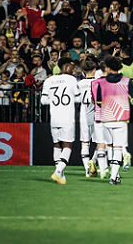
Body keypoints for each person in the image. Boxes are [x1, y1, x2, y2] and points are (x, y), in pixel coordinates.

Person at [91, 55, 133, 185]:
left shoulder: (101, 83)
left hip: (106, 119)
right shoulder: (126, 81)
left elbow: (99, 102)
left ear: (108, 67)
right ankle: (114, 176)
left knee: (109, 147)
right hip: (121, 119)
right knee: (118, 149)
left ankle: (114, 174)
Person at [40, 57, 80, 185]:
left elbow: (43, 101)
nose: (74, 70)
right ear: (65, 65)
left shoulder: (49, 80)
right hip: (67, 117)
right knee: (68, 145)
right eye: (72, 67)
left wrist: (55, 100)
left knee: (57, 145)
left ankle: (61, 176)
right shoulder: (72, 80)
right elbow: (78, 98)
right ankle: (58, 172)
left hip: (54, 117)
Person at [75, 59, 98, 178]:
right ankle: (93, 161)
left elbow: (76, 99)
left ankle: (87, 170)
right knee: (101, 143)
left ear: (83, 71)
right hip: (97, 114)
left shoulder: (79, 83)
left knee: (85, 143)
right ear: (94, 70)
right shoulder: (98, 82)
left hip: (84, 115)